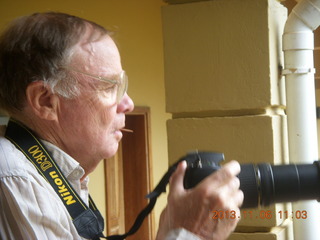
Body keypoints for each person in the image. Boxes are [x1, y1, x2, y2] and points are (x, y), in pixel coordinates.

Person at [0, 12, 243, 240]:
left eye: (122, 85)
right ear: (45, 101)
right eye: (108, 86)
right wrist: (192, 233)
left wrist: (171, 231)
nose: (128, 103)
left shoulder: (54, 175)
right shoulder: (15, 177)